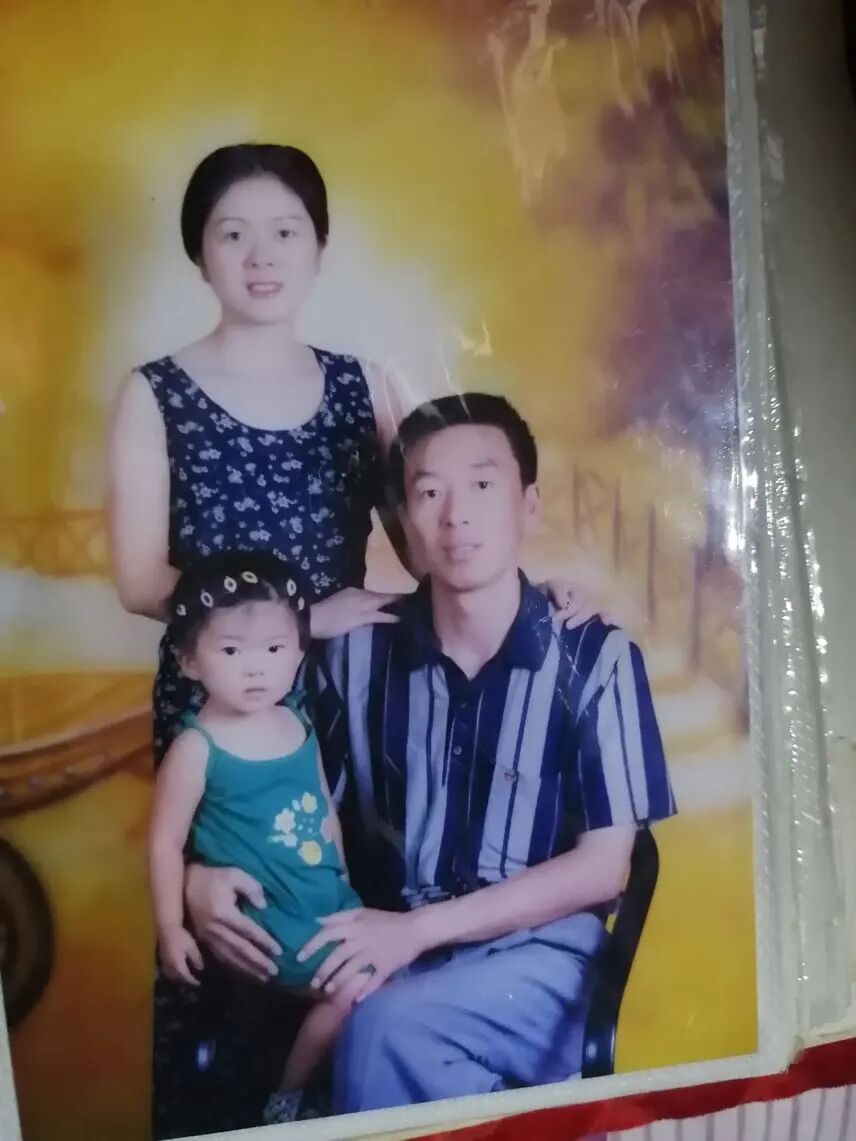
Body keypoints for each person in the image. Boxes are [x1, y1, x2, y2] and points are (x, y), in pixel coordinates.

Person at [106, 144, 590, 1134]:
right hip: (224, 706)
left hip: (353, 699)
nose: (261, 254)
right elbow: (139, 577)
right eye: (232, 233)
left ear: (319, 246)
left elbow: (443, 532)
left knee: (352, 939)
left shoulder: (360, 386)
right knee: (229, 942)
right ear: (198, 253)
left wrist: (532, 592)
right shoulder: (153, 392)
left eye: (285, 230)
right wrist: (292, 618)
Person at [289, 393, 678, 1111]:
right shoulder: (354, 656)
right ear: (404, 517)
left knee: (383, 1033)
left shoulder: (594, 657)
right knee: (345, 1026)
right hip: (395, 948)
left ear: (528, 505)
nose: (455, 515)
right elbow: (292, 807)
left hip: (541, 962)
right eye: (429, 492)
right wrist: (206, 880)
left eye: (482, 485)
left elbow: (604, 867)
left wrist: (418, 931)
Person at [148, 552, 373, 1126]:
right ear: (189, 660)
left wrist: (344, 881)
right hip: (268, 921)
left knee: (377, 969)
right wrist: (171, 927)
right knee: (358, 985)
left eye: (274, 649)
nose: (255, 669)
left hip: (322, 898)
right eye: (231, 651)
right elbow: (165, 843)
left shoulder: (295, 720)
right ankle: (286, 1100)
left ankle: (325, 1096)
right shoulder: (197, 748)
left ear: (299, 653)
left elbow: (324, 808)